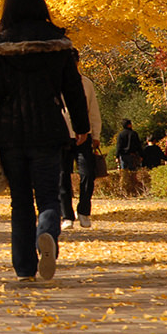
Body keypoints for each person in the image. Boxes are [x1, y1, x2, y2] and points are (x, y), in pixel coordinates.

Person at [0, 0, 89, 281]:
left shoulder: (0, 48)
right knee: (49, 197)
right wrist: (82, 127)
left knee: (21, 201)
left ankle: (24, 267)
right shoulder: (58, 45)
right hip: (49, 131)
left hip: (12, 134)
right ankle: (47, 233)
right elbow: (73, 90)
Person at [60, 52, 102, 230]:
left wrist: (96, 134)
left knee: (87, 174)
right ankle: (66, 215)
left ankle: (84, 211)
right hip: (62, 135)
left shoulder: (86, 83)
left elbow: (93, 110)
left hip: (84, 135)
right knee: (62, 176)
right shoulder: (55, 83)